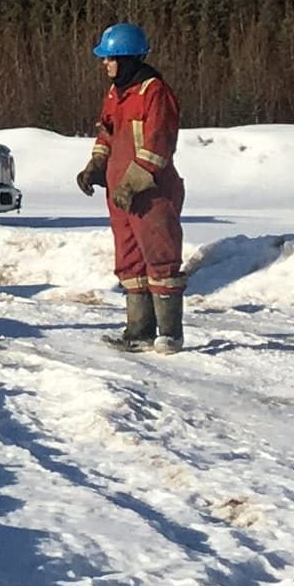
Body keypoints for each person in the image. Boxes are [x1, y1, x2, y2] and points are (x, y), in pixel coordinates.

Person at [75, 20, 187, 352]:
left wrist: (134, 181)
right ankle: (138, 332)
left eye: (110, 58)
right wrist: (96, 164)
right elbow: (107, 133)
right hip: (120, 195)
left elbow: (159, 145)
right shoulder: (116, 93)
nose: (105, 64)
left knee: (161, 258)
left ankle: (169, 333)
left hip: (151, 194)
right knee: (129, 262)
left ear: (128, 58)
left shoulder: (154, 93)